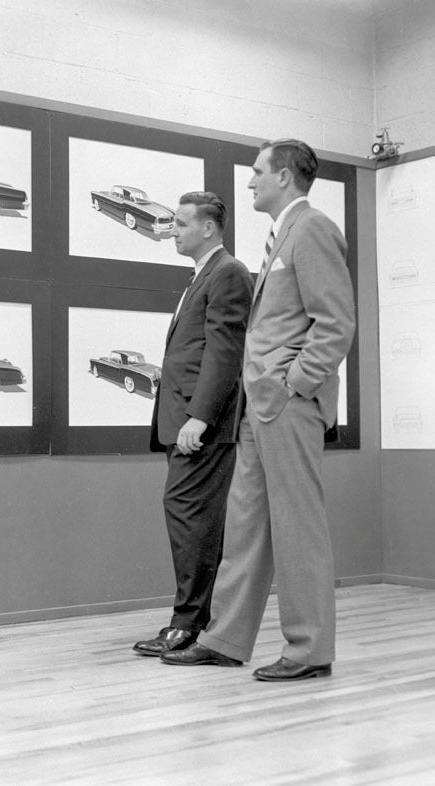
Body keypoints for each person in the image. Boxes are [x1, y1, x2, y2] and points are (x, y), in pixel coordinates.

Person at [162, 139, 355, 681]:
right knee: (245, 525)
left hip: (288, 403)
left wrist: (295, 381)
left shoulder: (312, 229)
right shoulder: (282, 235)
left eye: (257, 172)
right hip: (260, 406)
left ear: (285, 177)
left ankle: (309, 650)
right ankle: (224, 638)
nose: (249, 181)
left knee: (298, 529)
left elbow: (336, 323)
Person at [133, 192, 252, 658]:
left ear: (208, 227)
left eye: (181, 224)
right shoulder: (204, 274)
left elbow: (225, 352)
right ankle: (195, 623)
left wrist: (199, 417)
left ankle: (189, 624)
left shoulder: (228, 272)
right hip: (184, 420)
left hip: (200, 425)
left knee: (192, 519)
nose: (173, 231)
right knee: (193, 520)